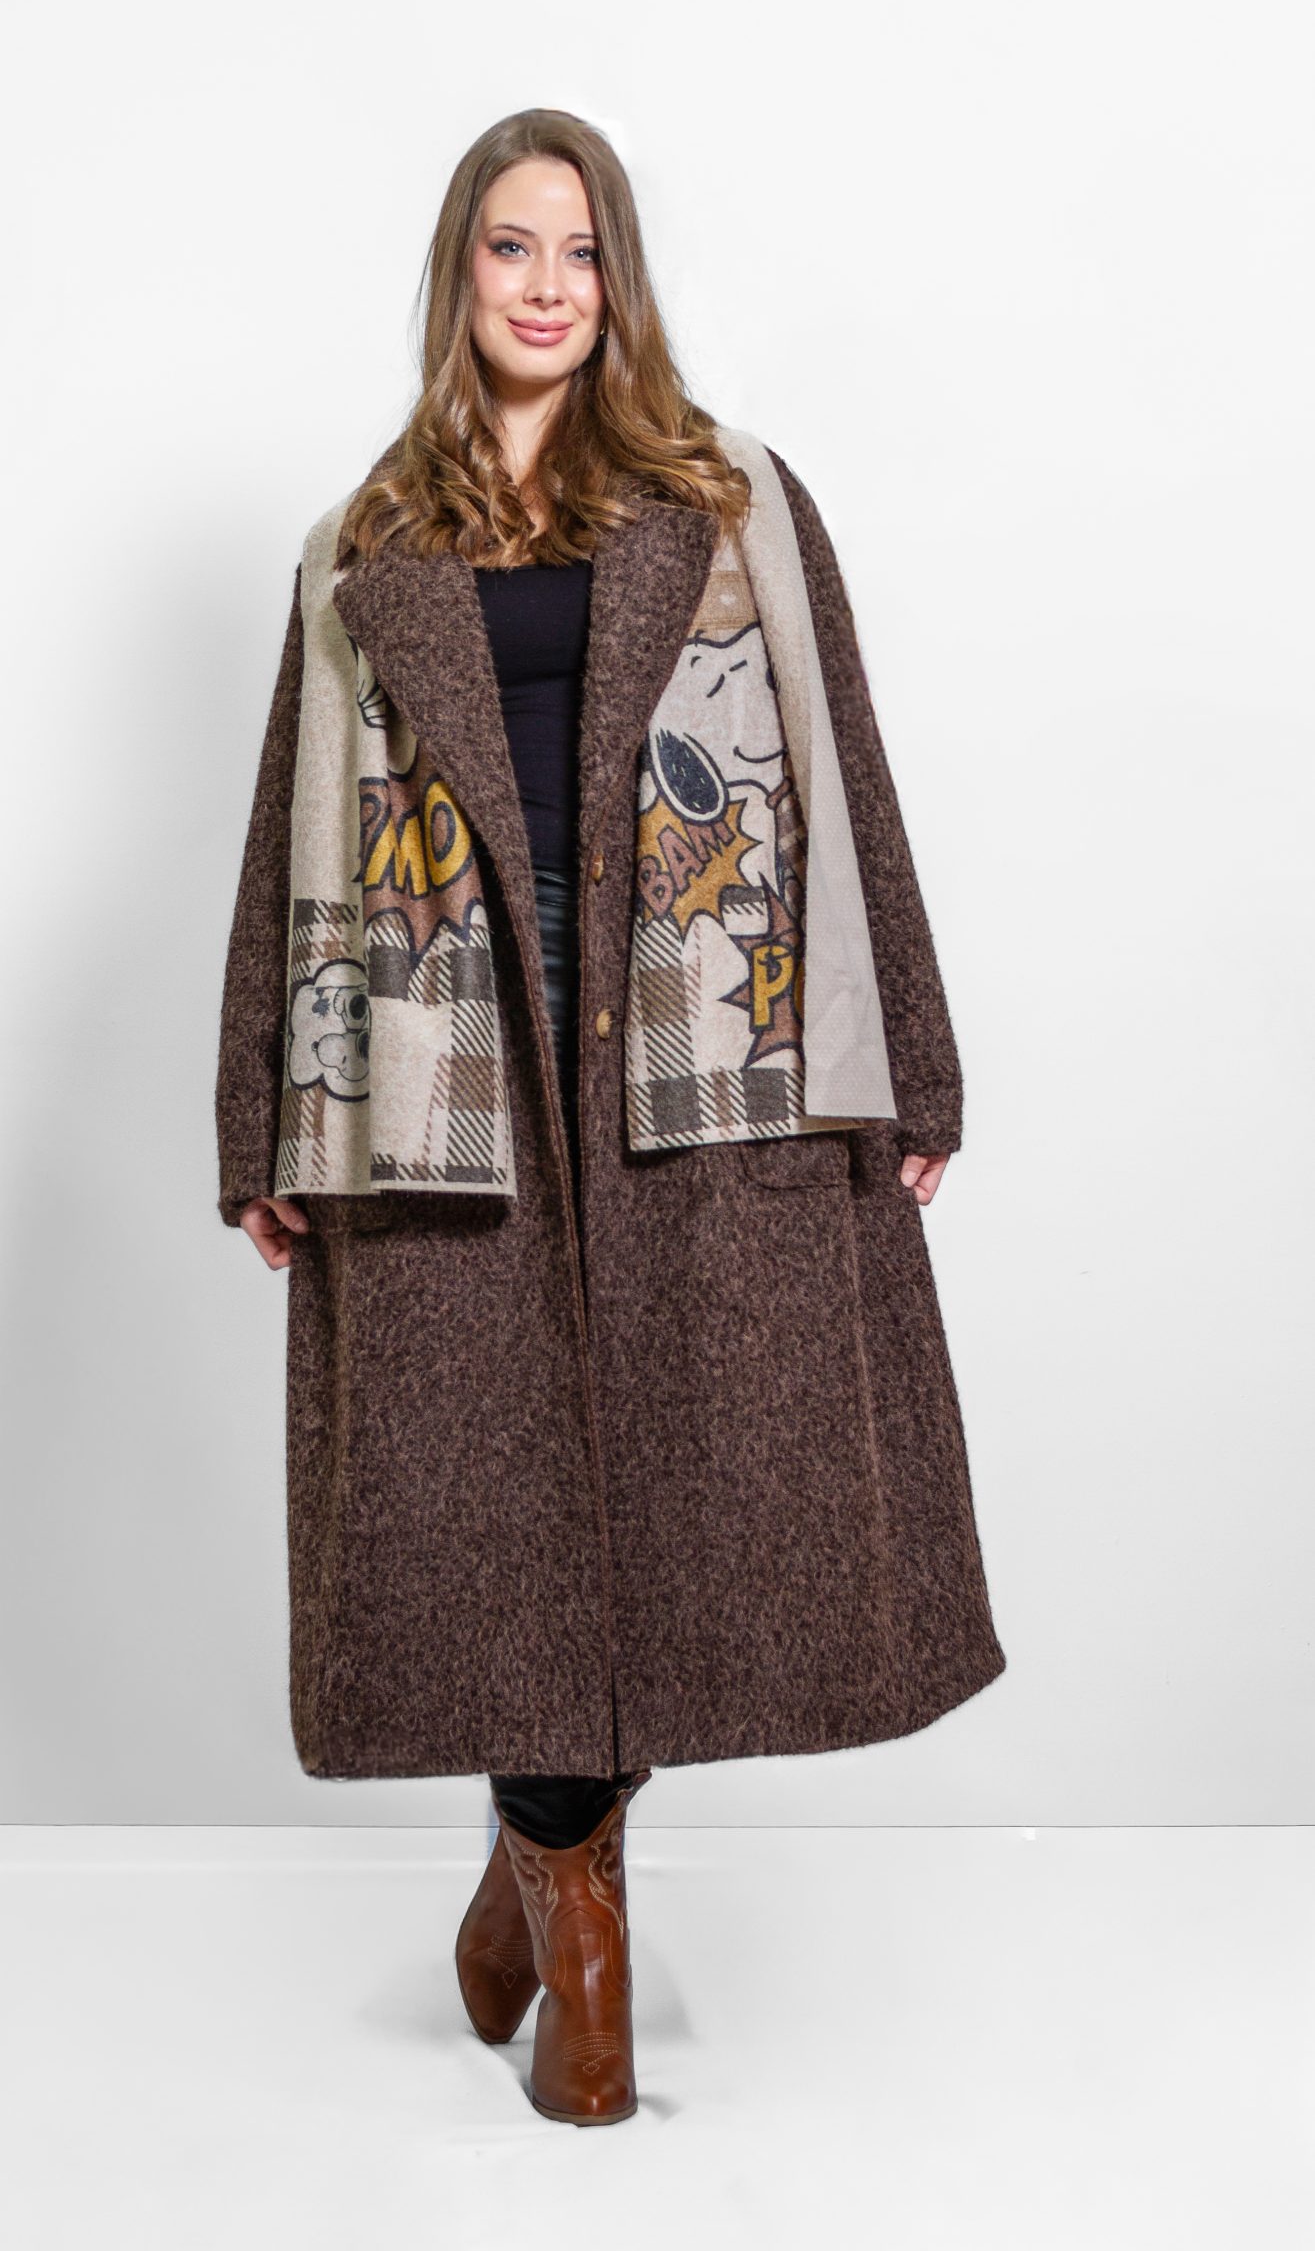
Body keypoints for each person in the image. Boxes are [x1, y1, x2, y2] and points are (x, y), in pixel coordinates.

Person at [213, 108, 1006, 2126]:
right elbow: (286, 820)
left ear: (617, 277)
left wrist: (908, 1055)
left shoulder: (730, 499)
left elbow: (844, 767)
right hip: (438, 1039)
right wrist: (258, 1118)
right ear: (459, 274)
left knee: (686, 1483)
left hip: (695, 1030)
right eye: (511, 246)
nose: (547, 283)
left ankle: (531, 1873)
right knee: (489, 1503)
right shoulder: (363, 540)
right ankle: (581, 1930)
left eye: (579, 249)